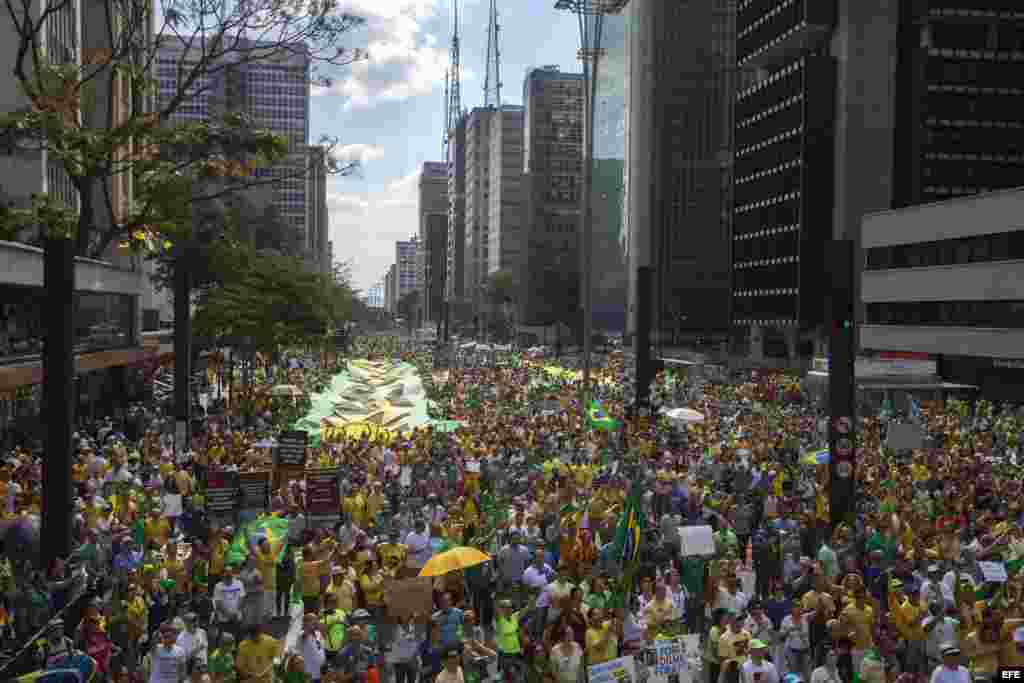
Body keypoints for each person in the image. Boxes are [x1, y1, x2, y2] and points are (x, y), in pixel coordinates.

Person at [212, 564, 244, 646]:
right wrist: (228, 615)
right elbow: (218, 603)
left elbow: (242, 599)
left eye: (230, 572)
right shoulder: (218, 586)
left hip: (237, 618)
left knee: (238, 641)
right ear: (223, 574)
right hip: (223, 620)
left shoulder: (239, 584)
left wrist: (235, 612)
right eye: (226, 572)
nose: (228, 574)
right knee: (223, 641)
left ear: (233, 573)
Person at [294, 612, 327, 683]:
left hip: (319, 673)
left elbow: (321, 650)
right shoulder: (301, 634)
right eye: (312, 620)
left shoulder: (318, 634)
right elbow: (304, 635)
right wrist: (311, 627)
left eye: (316, 620)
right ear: (305, 622)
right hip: (308, 674)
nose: (316, 622)